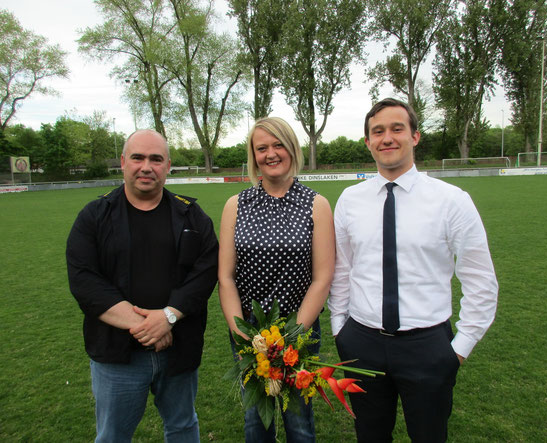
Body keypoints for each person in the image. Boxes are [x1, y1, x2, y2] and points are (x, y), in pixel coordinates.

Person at [328, 98, 498, 442]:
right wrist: (340, 330)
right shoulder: (349, 199)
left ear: (415, 137)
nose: (387, 138)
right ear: (368, 142)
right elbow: (342, 271)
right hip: (362, 343)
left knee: (429, 436)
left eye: (396, 129)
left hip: (428, 346)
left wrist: (459, 347)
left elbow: (480, 280)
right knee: (370, 436)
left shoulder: (452, 200)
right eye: (378, 132)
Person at [66, 129, 218, 443]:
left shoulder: (192, 215)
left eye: (155, 159)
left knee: (182, 426)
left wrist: (169, 317)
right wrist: (148, 325)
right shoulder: (95, 216)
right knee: (113, 435)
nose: (146, 166)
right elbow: (84, 281)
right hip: (116, 355)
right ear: (123, 162)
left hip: (179, 349)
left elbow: (205, 273)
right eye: (137, 157)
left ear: (168, 166)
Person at [218, 117, 335, 442]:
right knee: (257, 423)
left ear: (292, 148)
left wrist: (291, 335)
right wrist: (242, 333)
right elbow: (225, 278)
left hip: (299, 334)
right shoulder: (236, 205)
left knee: (299, 423)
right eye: (261, 148)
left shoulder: (316, 205)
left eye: (278, 144)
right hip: (250, 334)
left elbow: (322, 279)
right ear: (253, 155)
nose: (271, 153)